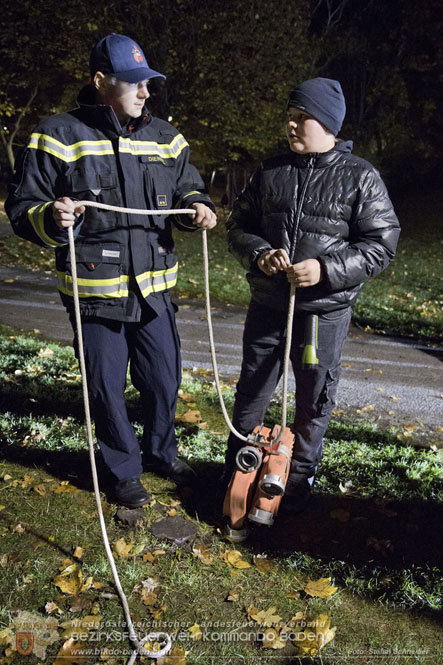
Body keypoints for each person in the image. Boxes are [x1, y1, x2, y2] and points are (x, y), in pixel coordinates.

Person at [5, 33, 216, 509]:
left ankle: (161, 451)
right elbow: (23, 208)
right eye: (134, 84)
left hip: (155, 290)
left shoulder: (166, 136)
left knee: (164, 379)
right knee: (105, 388)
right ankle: (123, 470)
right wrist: (49, 217)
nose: (146, 93)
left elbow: (187, 187)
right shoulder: (57, 133)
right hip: (95, 292)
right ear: (101, 81)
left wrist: (197, 207)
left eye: (149, 84)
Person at [222, 77, 400, 511]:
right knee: (251, 394)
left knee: (313, 401)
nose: (292, 123)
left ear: (328, 123)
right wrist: (260, 254)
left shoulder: (360, 176)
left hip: (323, 315)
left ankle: (295, 486)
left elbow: (382, 243)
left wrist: (326, 269)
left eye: (303, 116)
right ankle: (236, 474)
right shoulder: (270, 170)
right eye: (291, 115)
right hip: (269, 306)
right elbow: (237, 226)